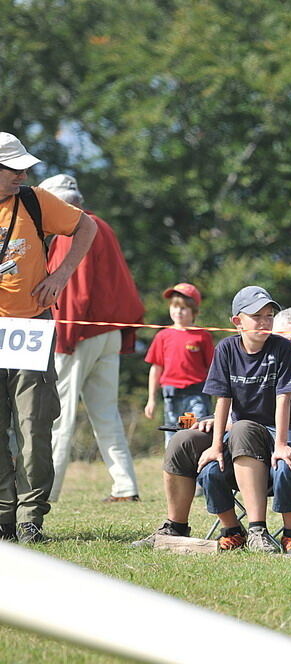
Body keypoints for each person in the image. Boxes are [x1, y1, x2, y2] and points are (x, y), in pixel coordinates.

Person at [131, 305, 291, 551]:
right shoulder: (255, 362)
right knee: (185, 442)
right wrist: (215, 422)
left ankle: (260, 530)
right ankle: (179, 527)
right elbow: (232, 410)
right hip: (241, 443)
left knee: (245, 435)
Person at [0, 133, 97, 543]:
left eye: (25, 168)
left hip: (31, 326)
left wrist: (60, 276)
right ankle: (3, 515)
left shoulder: (36, 200)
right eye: (14, 168)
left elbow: (86, 226)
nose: (23, 174)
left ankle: (30, 518)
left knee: (34, 424)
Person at [38, 174, 144, 504]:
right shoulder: (102, 226)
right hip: (107, 331)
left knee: (58, 415)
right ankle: (125, 486)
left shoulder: (73, 230)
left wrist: (64, 339)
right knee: (106, 413)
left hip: (78, 333)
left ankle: (47, 491)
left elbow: (74, 291)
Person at [197, 286, 291, 554]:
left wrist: (281, 444)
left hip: (279, 426)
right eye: (257, 316)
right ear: (237, 322)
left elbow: (284, 399)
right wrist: (215, 446)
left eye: (269, 315)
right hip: (242, 431)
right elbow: (222, 400)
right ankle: (234, 530)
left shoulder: (281, 347)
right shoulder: (225, 349)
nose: (265, 322)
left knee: (285, 465)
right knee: (210, 471)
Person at [143, 283, 214, 443]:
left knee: (193, 433)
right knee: (173, 434)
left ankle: (195, 465)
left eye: (183, 308)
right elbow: (156, 368)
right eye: (174, 307)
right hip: (172, 395)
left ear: (194, 311)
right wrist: (151, 399)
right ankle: (173, 466)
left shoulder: (202, 336)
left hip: (196, 395)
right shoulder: (163, 336)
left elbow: (212, 368)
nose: (178, 312)